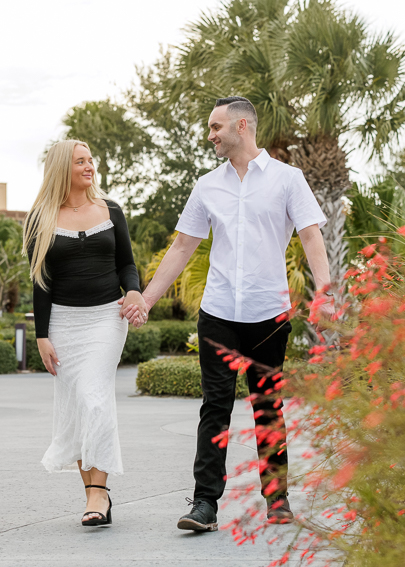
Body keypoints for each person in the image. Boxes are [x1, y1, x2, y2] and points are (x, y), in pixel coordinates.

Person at [122, 96, 335, 531]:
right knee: (214, 407)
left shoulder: (287, 180)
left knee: (267, 406)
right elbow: (182, 246)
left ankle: (278, 500)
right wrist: (146, 298)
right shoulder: (207, 186)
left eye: (216, 126)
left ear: (242, 127)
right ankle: (205, 505)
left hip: (268, 313)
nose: (210, 134)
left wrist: (325, 294)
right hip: (218, 312)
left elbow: (312, 237)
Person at [23, 139, 147, 527]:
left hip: (106, 319)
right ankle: (94, 497)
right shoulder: (39, 218)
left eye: (90, 159)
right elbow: (40, 282)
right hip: (62, 323)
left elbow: (126, 263)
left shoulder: (110, 210)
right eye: (80, 161)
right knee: (77, 404)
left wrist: (134, 291)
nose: (89, 166)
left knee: (94, 396)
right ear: (63, 167)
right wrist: (41, 335)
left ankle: (100, 492)